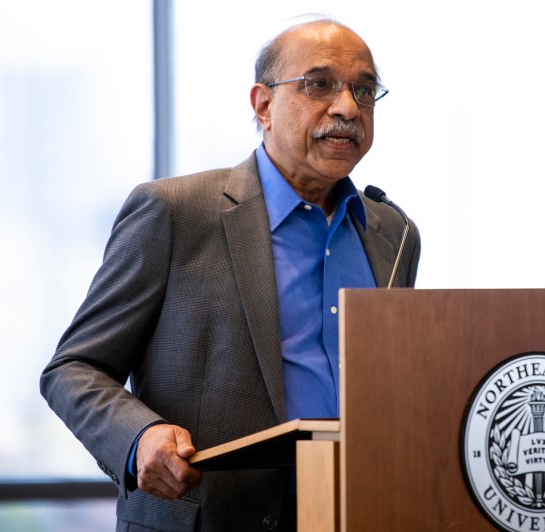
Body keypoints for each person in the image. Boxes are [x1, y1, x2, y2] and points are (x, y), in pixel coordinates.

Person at [40, 18, 420, 532]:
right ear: (263, 105)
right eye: (319, 84)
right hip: (209, 517)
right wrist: (140, 437)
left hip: (355, 512)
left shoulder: (392, 232)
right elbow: (73, 368)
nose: (348, 108)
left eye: (364, 90)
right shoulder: (175, 212)